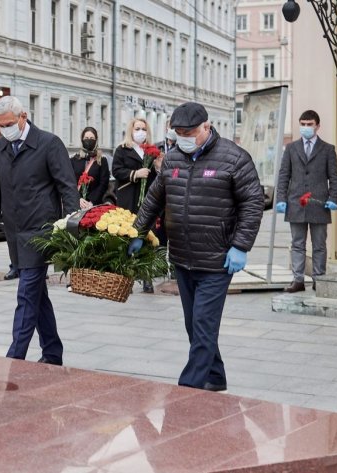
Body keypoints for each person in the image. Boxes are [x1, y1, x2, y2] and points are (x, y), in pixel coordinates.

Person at [129, 102, 264, 392]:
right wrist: (137, 232)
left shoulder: (234, 158)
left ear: (207, 126)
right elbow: (154, 198)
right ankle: (215, 377)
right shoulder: (174, 158)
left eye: (188, 132)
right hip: (182, 257)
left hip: (217, 260)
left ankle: (186, 389)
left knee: (203, 325)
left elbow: (252, 203)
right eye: (178, 132)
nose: (183, 138)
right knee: (194, 326)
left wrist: (240, 245)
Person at [0, 96, 79, 366]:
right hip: (14, 233)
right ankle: (53, 352)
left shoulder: (48, 143)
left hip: (41, 232)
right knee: (37, 296)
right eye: (0, 125)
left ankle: (15, 359)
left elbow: (67, 187)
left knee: (26, 294)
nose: (5, 129)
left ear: (23, 116)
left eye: (9, 123)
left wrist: (70, 228)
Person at [275, 110, 337, 293]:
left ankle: (319, 279)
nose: (305, 127)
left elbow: (334, 177)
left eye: (309, 124)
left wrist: (333, 198)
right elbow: (284, 175)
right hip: (295, 203)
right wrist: (281, 199)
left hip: (319, 203)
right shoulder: (291, 148)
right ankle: (298, 280)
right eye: (302, 124)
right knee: (297, 244)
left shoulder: (328, 149)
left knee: (319, 244)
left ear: (317, 126)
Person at [112, 117, 162, 293]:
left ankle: (147, 277)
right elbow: (116, 171)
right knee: (128, 235)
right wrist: (135, 173)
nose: (140, 132)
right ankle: (127, 277)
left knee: (148, 234)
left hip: (147, 199)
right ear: (131, 130)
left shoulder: (151, 151)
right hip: (129, 197)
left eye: (143, 129)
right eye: (137, 128)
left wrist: (157, 168)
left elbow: (157, 178)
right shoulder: (122, 149)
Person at [70, 126, 111, 209]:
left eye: (92, 138)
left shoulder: (102, 160)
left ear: (96, 140)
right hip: (76, 203)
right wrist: (78, 199)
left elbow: (103, 183)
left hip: (94, 204)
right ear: (82, 139)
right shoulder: (74, 159)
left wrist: (92, 201)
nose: (89, 140)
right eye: (86, 138)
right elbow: (70, 181)